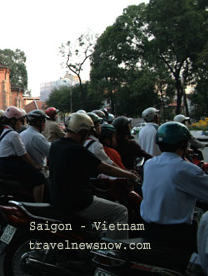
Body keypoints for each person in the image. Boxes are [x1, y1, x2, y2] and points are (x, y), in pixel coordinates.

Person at [48, 113, 140, 239]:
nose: (87, 137)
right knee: (120, 211)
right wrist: (130, 175)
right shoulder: (77, 149)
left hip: (57, 199)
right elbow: (106, 168)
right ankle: (112, 253)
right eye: (87, 133)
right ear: (83, 132)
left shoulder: (56, 145)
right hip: (78, 203)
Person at [140, 121, 208, 270]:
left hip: (149, 230)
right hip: (176, 235)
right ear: (183, 144)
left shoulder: (150, 164)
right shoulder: (186, 169)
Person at [0, 106, 46, 202]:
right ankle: (38, 205)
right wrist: (35, 166)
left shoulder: (1, 132)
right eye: (20, 120)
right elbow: (23, 155)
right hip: (11, 166)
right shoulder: (13, 134)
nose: (21, 123)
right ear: (13, 121)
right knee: (40, 178)